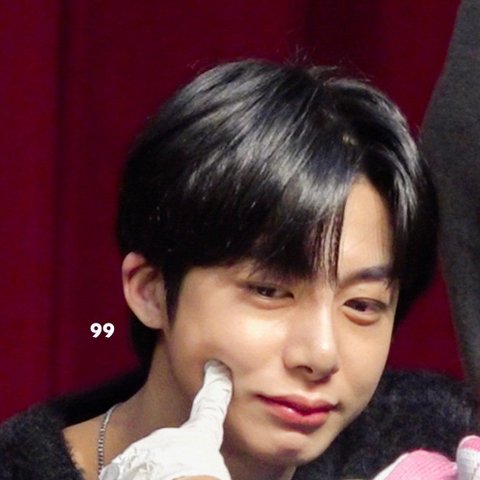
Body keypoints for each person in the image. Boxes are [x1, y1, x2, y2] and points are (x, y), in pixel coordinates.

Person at [0, 60, 475, 480]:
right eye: (269, 291)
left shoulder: (432, 440)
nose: (320, 354)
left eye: (363, 305)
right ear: (150, 290)